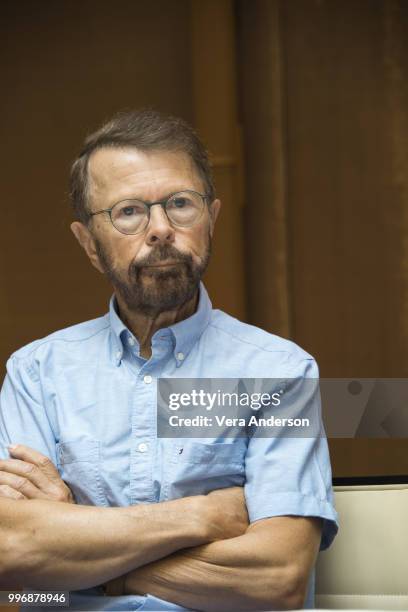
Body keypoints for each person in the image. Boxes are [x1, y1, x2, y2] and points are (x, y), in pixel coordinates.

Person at [0, 110, 338, 611]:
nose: (160, 229)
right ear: (89, 244)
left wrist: (86, 557)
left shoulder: (281, 371)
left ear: (211, 219)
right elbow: (17, 573)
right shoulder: (35, 372)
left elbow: (278, 580)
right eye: (129, 211)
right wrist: (200, 517)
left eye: (181, 204)